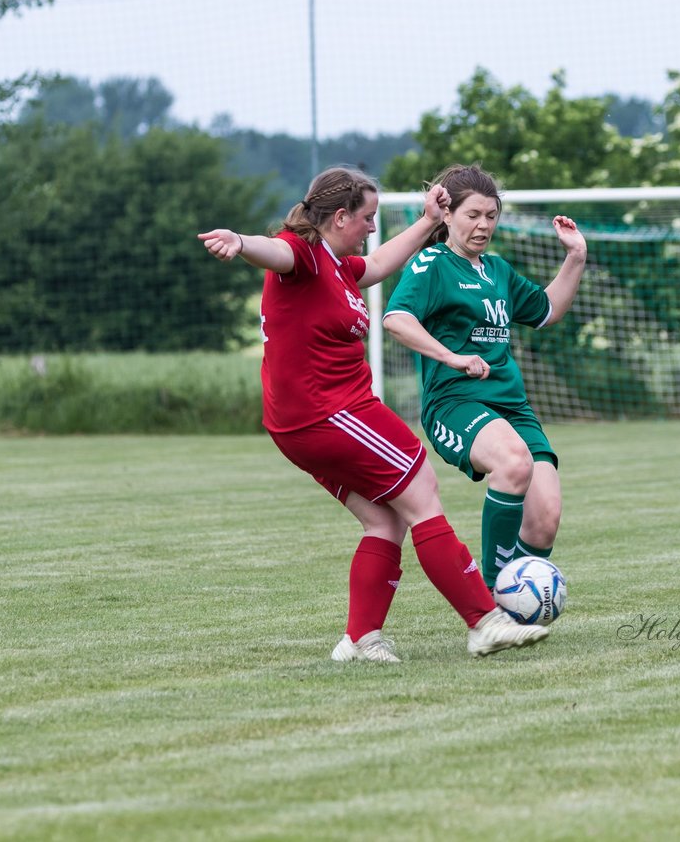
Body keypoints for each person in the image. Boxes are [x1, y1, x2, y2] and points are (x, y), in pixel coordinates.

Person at [197, 166, 548, 660]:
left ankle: (360, 638)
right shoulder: (301, 255)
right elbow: (273, 250)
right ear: (340, 217)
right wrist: (239, 240)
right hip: (331, 413)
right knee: (422, 492)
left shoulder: (339, 268)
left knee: (385, 521)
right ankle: (484, 621)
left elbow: (382, 262)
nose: (372, 228)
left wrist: (429, 221)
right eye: (367, 217)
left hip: (304, 422)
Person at [382, 164, 587, 591]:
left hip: (512, 406)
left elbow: (548, 311)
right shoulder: (432, 264)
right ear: (448, 216)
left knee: (545, 516)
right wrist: (451, 357)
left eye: (491, 215)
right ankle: (492, 599)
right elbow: (396, 319)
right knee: (513, 462)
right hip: (455, 404)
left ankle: (518, 601)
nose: (483, 225)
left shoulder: (496, 270)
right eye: (473, 214)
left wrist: (575, 256)